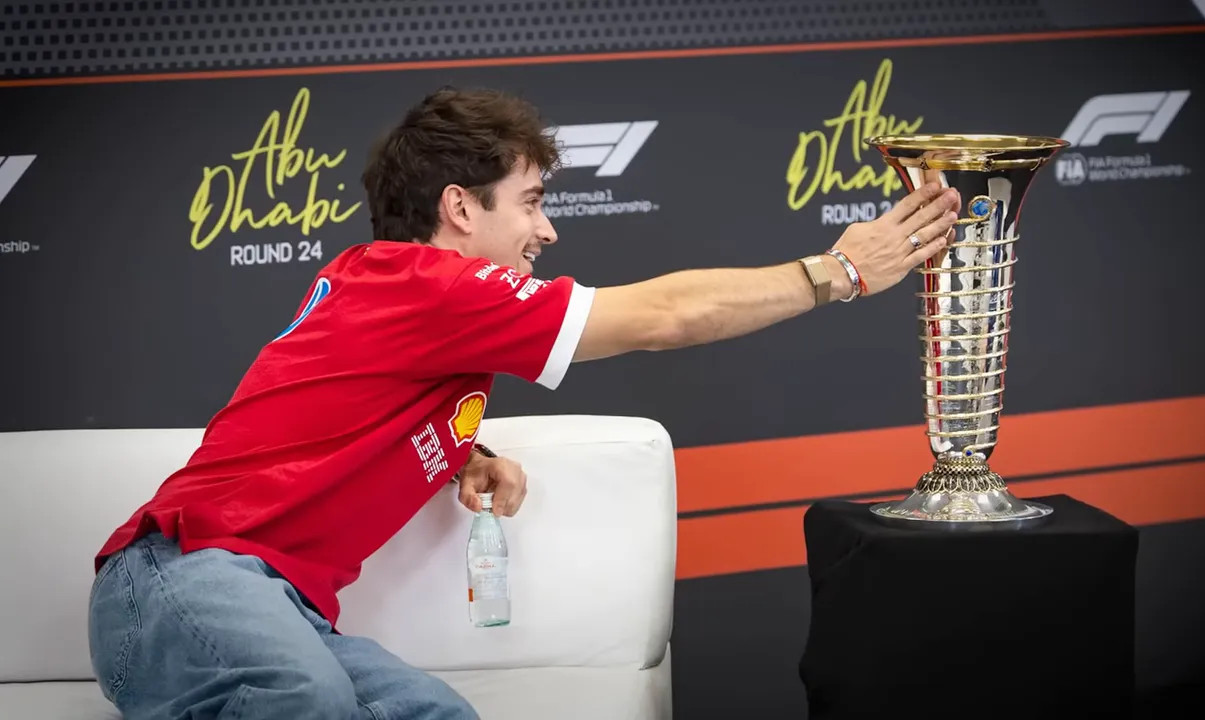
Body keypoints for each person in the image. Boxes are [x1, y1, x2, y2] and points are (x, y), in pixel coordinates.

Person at [87, 86, 960, 719]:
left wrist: (459, 448)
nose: (548, 229)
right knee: (302, 699)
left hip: (278, 605)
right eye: (533, 202)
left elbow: (329, 402)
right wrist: (839, 273)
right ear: (459, 208)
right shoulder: (431, 287)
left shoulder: (387, 288)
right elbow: (663, 317)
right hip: (180, 581)